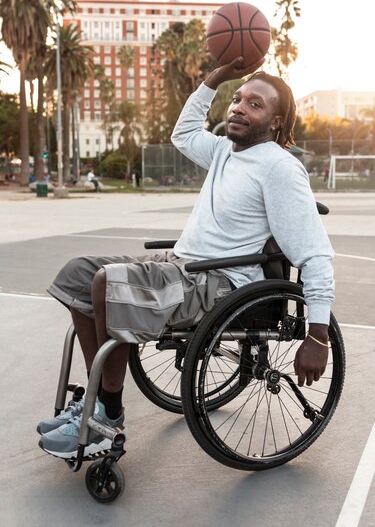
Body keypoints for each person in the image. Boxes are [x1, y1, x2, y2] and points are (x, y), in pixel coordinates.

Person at [38, 57, 334, 459]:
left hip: (220, 284)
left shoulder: (280, 169)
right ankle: (96, 398)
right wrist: (215, 79)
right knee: (77, 274)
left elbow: (315, 255)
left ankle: (106, 413)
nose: (239, 107)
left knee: (107, 283)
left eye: (255, 104)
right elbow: (183, 133)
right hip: (183, 265)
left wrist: (317, 337)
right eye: (238, 99)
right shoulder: (225, 152)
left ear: (277, 122)